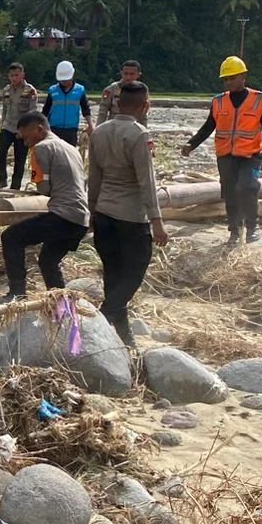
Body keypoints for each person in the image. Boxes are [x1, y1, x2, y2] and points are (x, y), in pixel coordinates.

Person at [87, 81, 169, 347]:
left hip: (104, 213)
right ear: (145, 106)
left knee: (113, 274)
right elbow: (147, 182)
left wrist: (92, 211)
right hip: (131, 218)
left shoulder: (99, 132)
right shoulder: (139, 134)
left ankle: (123, 337)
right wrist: (157, 222)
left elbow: (94, 177)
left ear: (118, 104)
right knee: (134, 272)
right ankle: (100, 319)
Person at [181, 55, 262, 245]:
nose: (228, 82)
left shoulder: (259, 100)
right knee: (230, 193)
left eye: (232, 78)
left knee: (248, 187)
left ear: (243, 76)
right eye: (225, 79)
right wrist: (191, 144)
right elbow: (208, 126)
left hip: (251, 154)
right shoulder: (218, 102)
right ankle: (234, 231)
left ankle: (252, 226)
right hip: (225, 155)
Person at [0, 112, 89, 302]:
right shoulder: (69, 147)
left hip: (63, 216)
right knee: (48, 261)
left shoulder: (41, 148)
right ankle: (61, 302)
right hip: (81, 219)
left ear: (39, 130)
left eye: (26, 137)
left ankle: (17, 293)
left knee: (11, 237)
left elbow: (44, 188)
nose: (25, 143)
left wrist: (37, 188)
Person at [0, 62, 37, 190]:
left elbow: (33, 112)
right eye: (12, 75)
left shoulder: (30, 90)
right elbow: (4, 110)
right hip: (8, 127)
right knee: (0, 153)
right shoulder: (6, 90)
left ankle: (15, 186)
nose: (14, 78)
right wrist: (2, 125)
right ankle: (2, 180)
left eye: (17, 75)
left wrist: (27, 131)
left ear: (22, 75)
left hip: (22, 130)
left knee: (20, 159)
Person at [46, 61, 92, 148]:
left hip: (71, 130)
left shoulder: (80, 90)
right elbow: (46, 110)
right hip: (54, 129)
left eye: (65, 79)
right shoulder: (52, 90)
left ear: (72, 75)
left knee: (70, 153)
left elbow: (85, 109)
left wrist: (90, 125)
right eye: (61, 80)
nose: (63, 82)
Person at [98, 59, 142, 124]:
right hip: (114, 125)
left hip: (134, 126)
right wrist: (99, 129)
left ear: (138, 75)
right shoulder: (110, 90)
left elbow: (144, 115)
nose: (128, 77)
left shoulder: (142, 90)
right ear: (121, 73)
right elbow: (102, 113)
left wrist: (144, 129)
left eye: (132, 74)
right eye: (125, 73)